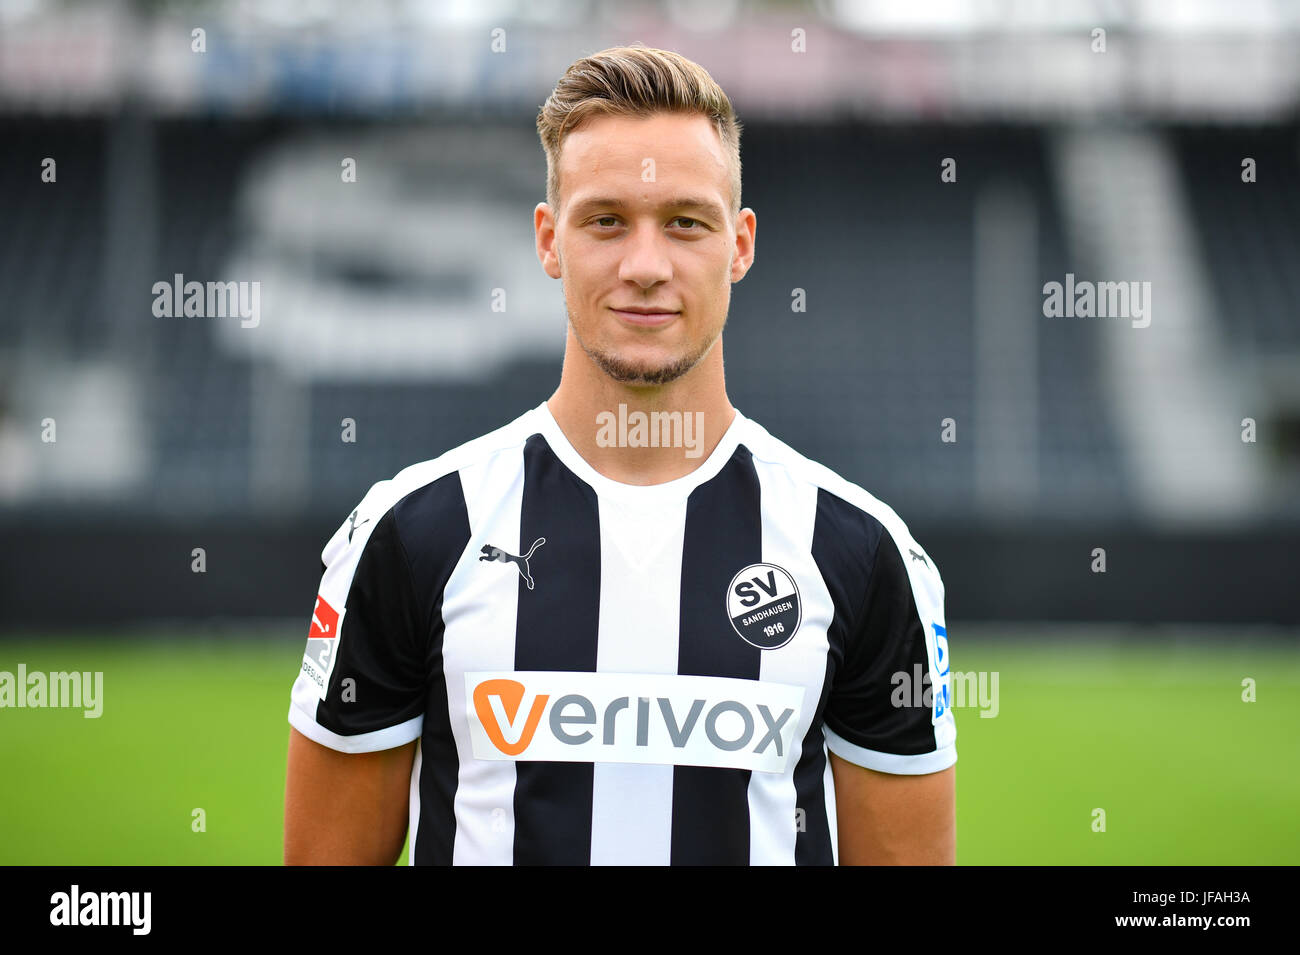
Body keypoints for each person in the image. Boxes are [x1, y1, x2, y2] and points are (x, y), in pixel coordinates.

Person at [284, 43, 955, 866]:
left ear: (739, 245)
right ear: (548, 240)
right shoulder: (411, 534)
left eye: (685, 222)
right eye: (606, 221)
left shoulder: (860, 552)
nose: (645, 266)